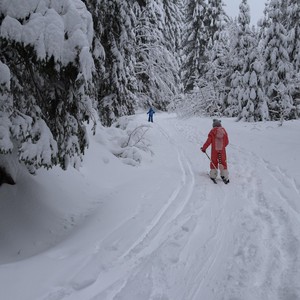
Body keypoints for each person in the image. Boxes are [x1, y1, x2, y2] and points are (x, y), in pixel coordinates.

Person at [201, 119, 229, 184]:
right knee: (223, 162)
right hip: (222, 151)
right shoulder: (224, 131)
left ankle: (213, 175)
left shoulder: (212, 132)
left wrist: (204, 148)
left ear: (213, 126)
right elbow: (227, 142)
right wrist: (222, 146)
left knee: (214, 161)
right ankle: (224, 175)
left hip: (214, 150)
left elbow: (208, 141)